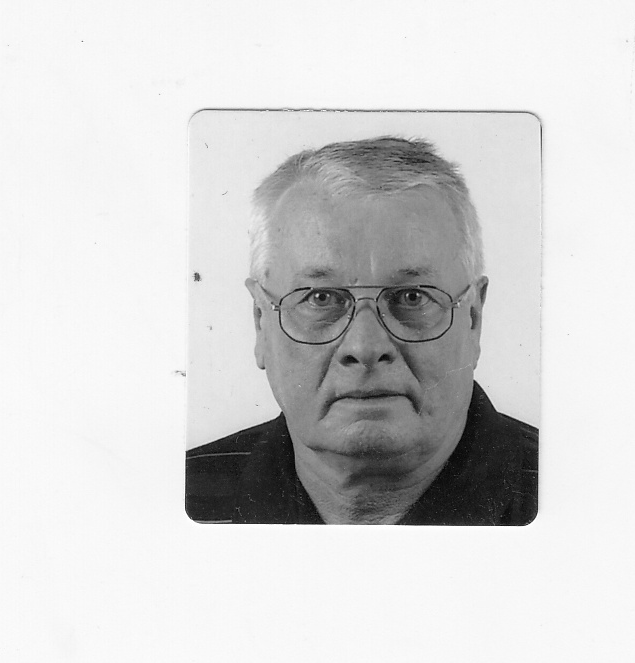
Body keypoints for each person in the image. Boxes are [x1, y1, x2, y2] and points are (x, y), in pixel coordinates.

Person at [186, 136, 538, 525]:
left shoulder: (579, 503)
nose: (365, 346)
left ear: (473, 318)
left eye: (412, 298)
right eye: (320, 298)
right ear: (260, 322)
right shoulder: (172, 505)